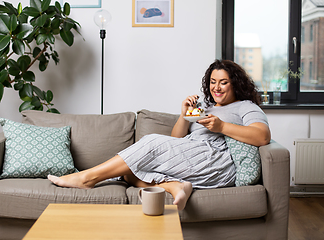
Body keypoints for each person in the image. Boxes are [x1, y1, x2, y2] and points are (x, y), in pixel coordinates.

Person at [48, 59, 271, 211]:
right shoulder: (207, 108)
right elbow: (176, 139)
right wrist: (184, 116)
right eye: (213, 82)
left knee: (152, 142)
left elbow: (262, 137)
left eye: (223, 83)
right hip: (192, 155)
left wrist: (222, 127)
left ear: (236, 84)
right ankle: (175, 186)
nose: (217, 88)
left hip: (216, 161)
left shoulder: (245, 107)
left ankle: (87, 178)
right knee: (129, 173)